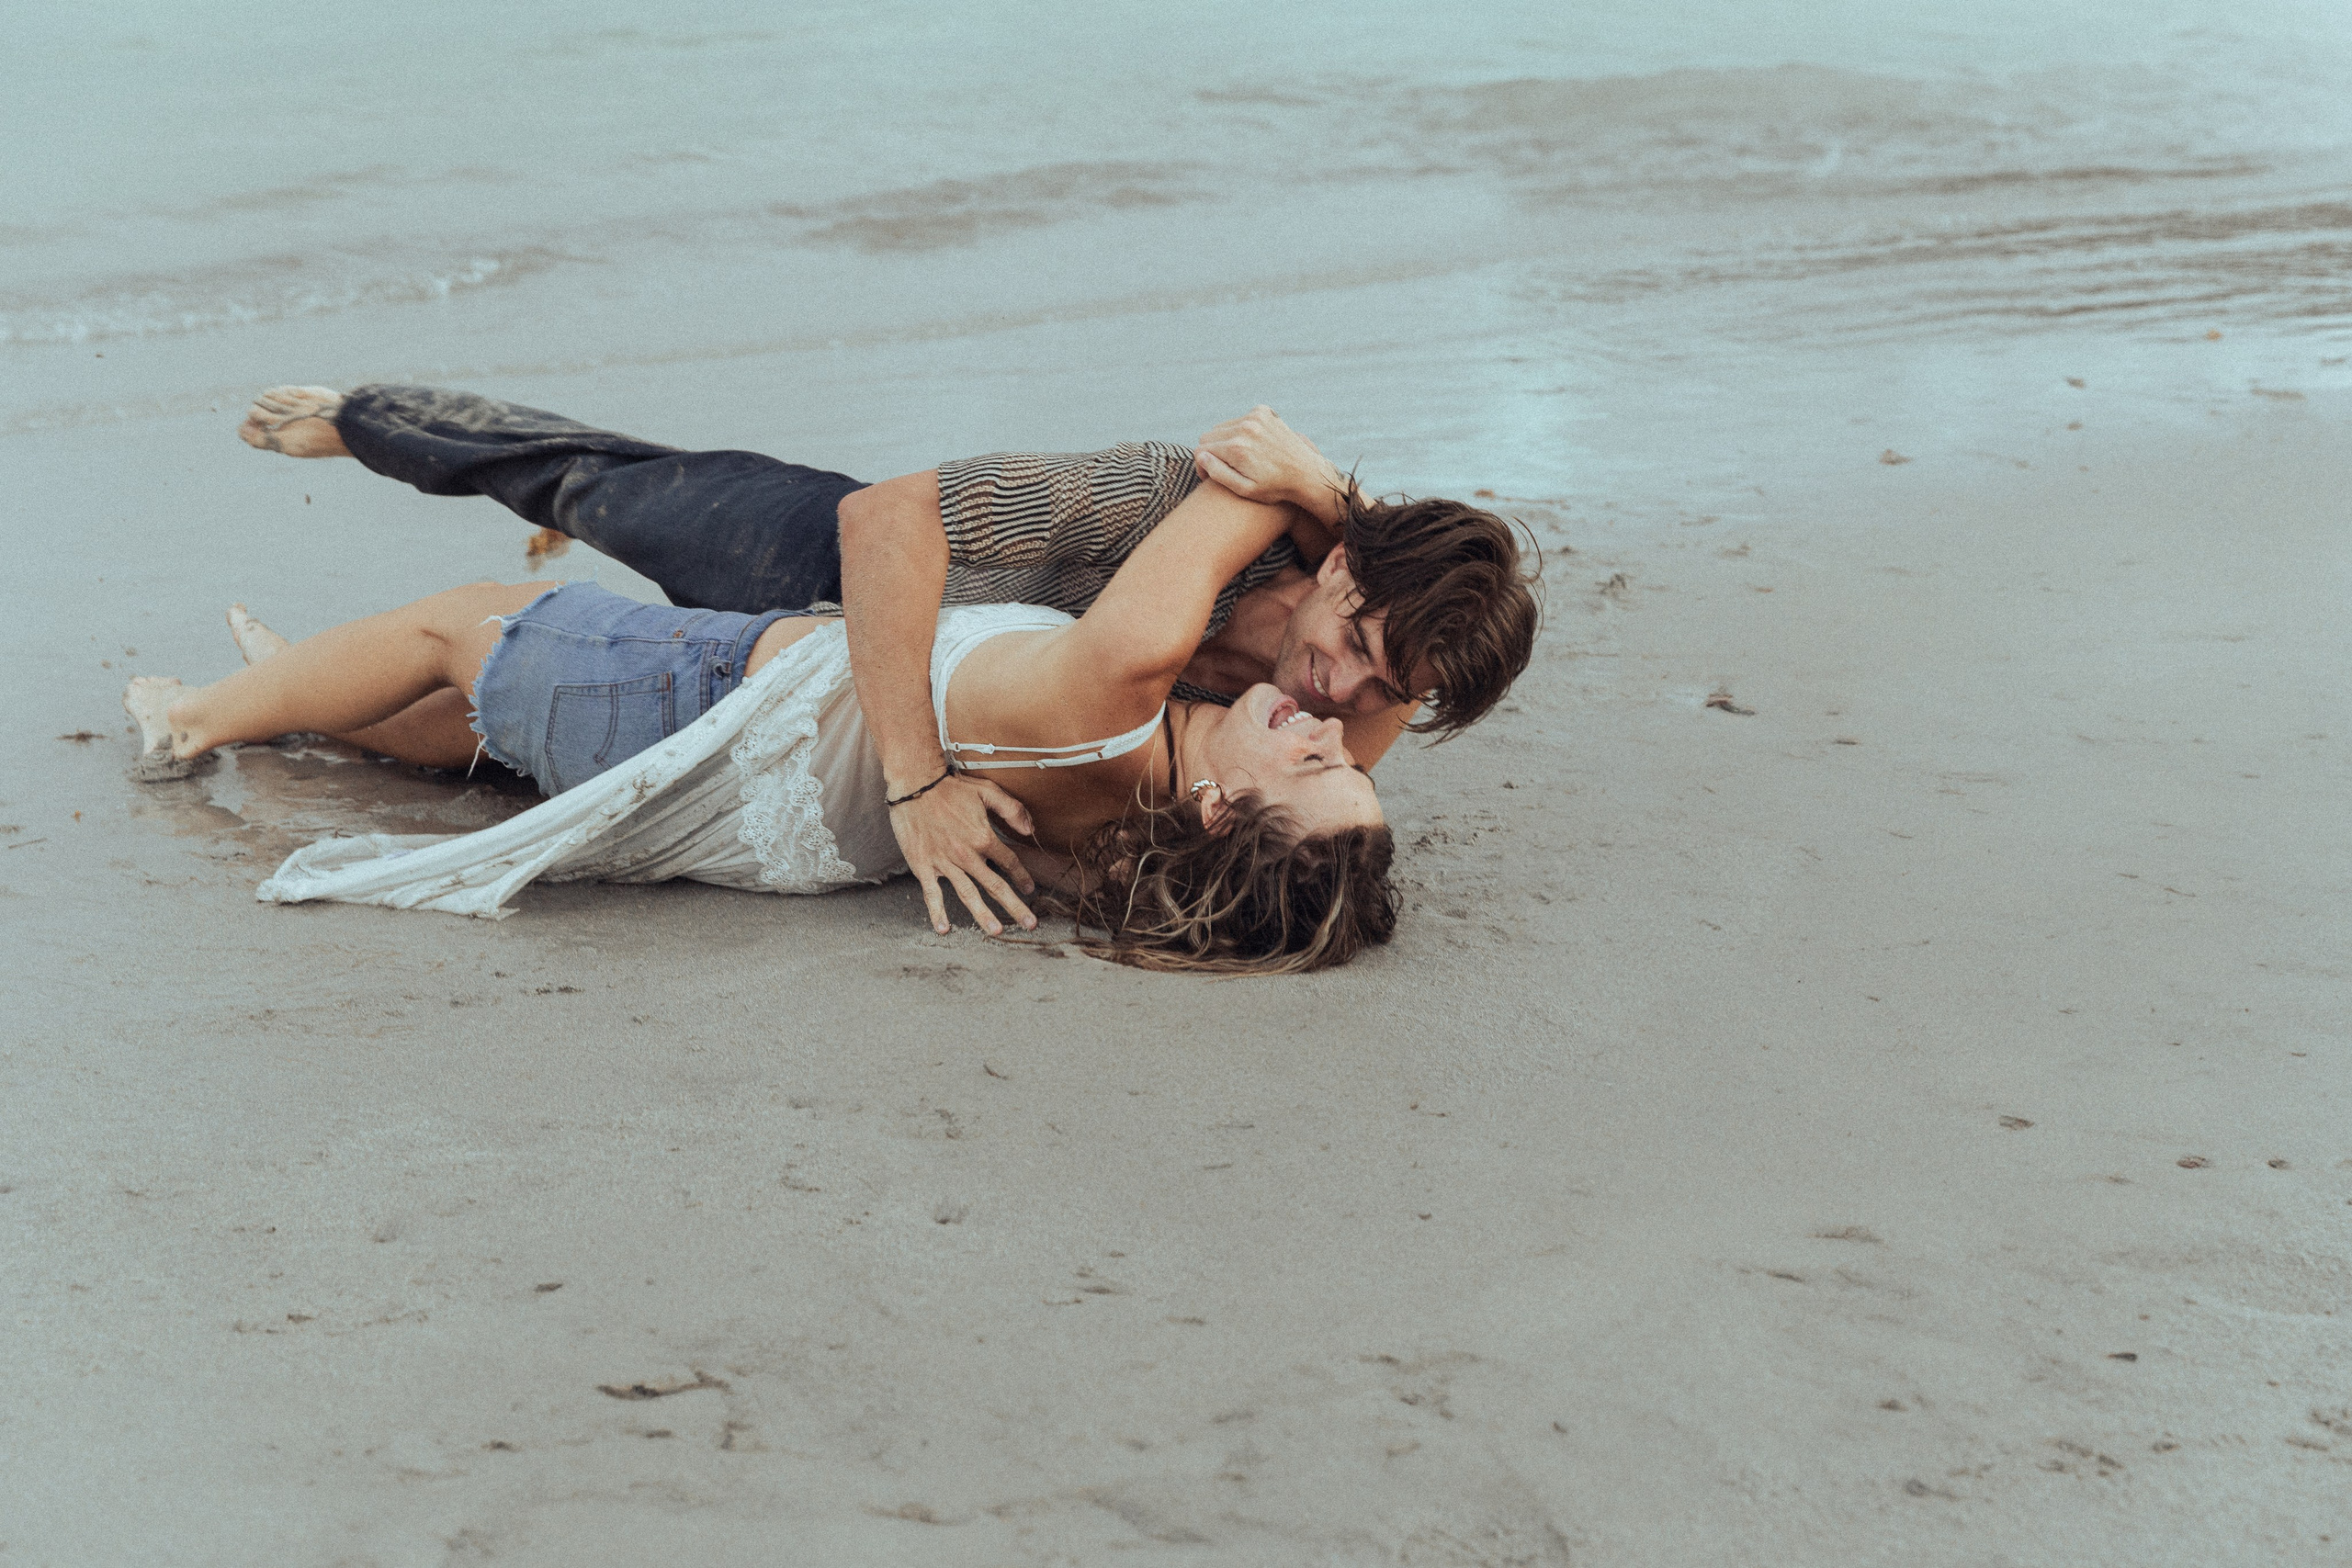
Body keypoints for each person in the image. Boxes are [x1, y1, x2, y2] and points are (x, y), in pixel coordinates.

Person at [238, 384, 1539, 933]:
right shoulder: (1158, 498)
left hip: (828, 728)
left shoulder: (1353, 685)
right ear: (1337, 566)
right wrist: (917, 781)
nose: (1341, 705)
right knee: (591, 487)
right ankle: (367, 422)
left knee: (512, 743)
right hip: (836, 574)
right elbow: (887, 523)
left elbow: (1330, 735)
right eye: (1354, 650)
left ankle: (325, 697)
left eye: (1391, 699)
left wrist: (1337, 494)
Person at [123, 474, 1396, 975]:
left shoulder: (1117, 695)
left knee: (462, 632)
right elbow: (1316, 818)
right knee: (487, 731)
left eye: (1317, 760)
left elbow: (1241, 478)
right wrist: (1325, 781)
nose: (1333, 727)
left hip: (711, 698)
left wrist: (1323, 488)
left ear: (1229, 810)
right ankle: (309, 699)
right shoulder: (1143, 843)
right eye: (1343, 747)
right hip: (777, 834)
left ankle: (192, 720)